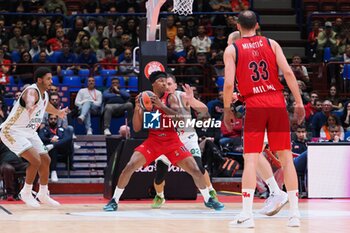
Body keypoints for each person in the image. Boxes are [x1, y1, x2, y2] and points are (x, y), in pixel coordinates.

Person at [223, 11, 305, 228]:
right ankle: (295, 214)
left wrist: (226, 108)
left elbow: (229, 84)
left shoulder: (232, 49)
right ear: (257, 25)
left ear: (238, 26)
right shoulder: (272, 43)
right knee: (286, 159)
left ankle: (247, 214)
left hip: (255, 105)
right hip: (277, 102)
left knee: (250, 159)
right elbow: (288, 72)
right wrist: (298, 102)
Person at [103, 71, 224, 211]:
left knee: (196, 170)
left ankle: (208, 199)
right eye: (161, 81)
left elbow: (179, 119)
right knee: (129, 167)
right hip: (154, 141)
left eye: (166, 82)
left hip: (173, 141)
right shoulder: (145, 98)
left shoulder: (171, 97)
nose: (164, 84)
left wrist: (161, 106)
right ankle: (114, 200)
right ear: (153, 84)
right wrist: (137, 109)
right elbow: (136, 128)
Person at [0, 67, 68, 207]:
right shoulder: (32, 91)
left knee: (45, 159)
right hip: (12, 131)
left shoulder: (44, 95)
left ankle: (43, 193)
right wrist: (30, 105)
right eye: (48, 78)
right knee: (35, 161)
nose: (51, 81)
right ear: (39, 80)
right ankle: (26, 192)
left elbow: (46, 106)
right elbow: (29, 98)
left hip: (29, 132)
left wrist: (58, 112)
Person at [150, 74, 221, 208]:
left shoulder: (182, 96)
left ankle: (211, 192)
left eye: (170, 84)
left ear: (175, 86)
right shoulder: (156, 99)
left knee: (199, 168)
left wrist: (192, 100)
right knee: (160, 175)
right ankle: (160, 196)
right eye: (165, 84)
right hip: (167, 141)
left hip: (187, 138)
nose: (167, 86)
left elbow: (204, 110)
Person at [39, 114, 74, 182]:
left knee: (68, 139)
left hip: (62, 151)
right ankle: (53, 171)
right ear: (48, 120)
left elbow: (68, 138)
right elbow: (41, 137)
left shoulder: (62, 129)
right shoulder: (44, 129)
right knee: (53, 148)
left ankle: (53, 146)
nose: (53, 120)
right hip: (48, 152)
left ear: (57, 120)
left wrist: (56, 143)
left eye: (55, 119)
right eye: (51, 119)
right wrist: (50, 140)